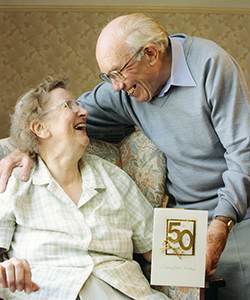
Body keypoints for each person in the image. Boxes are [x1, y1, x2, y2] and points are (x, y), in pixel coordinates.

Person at [0, 13, 250, 300]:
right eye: (108, 77)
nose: (115, 86)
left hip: (236, 212)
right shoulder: (124, 91)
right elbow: (69, 120)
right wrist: (27, 145)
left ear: (151, 54)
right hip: (188, 218)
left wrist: (221, 223)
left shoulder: (210, 65)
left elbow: (244, 152)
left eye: (118, 73)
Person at [0, 76, 169, 300]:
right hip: (48, 292)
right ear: (40, 127)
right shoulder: (13, 183)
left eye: (79, 104)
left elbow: (157, 250)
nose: (84, 111)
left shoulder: (114, 178)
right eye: (69, 105)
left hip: (122, 292)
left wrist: (194, 259)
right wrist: (7, 269)